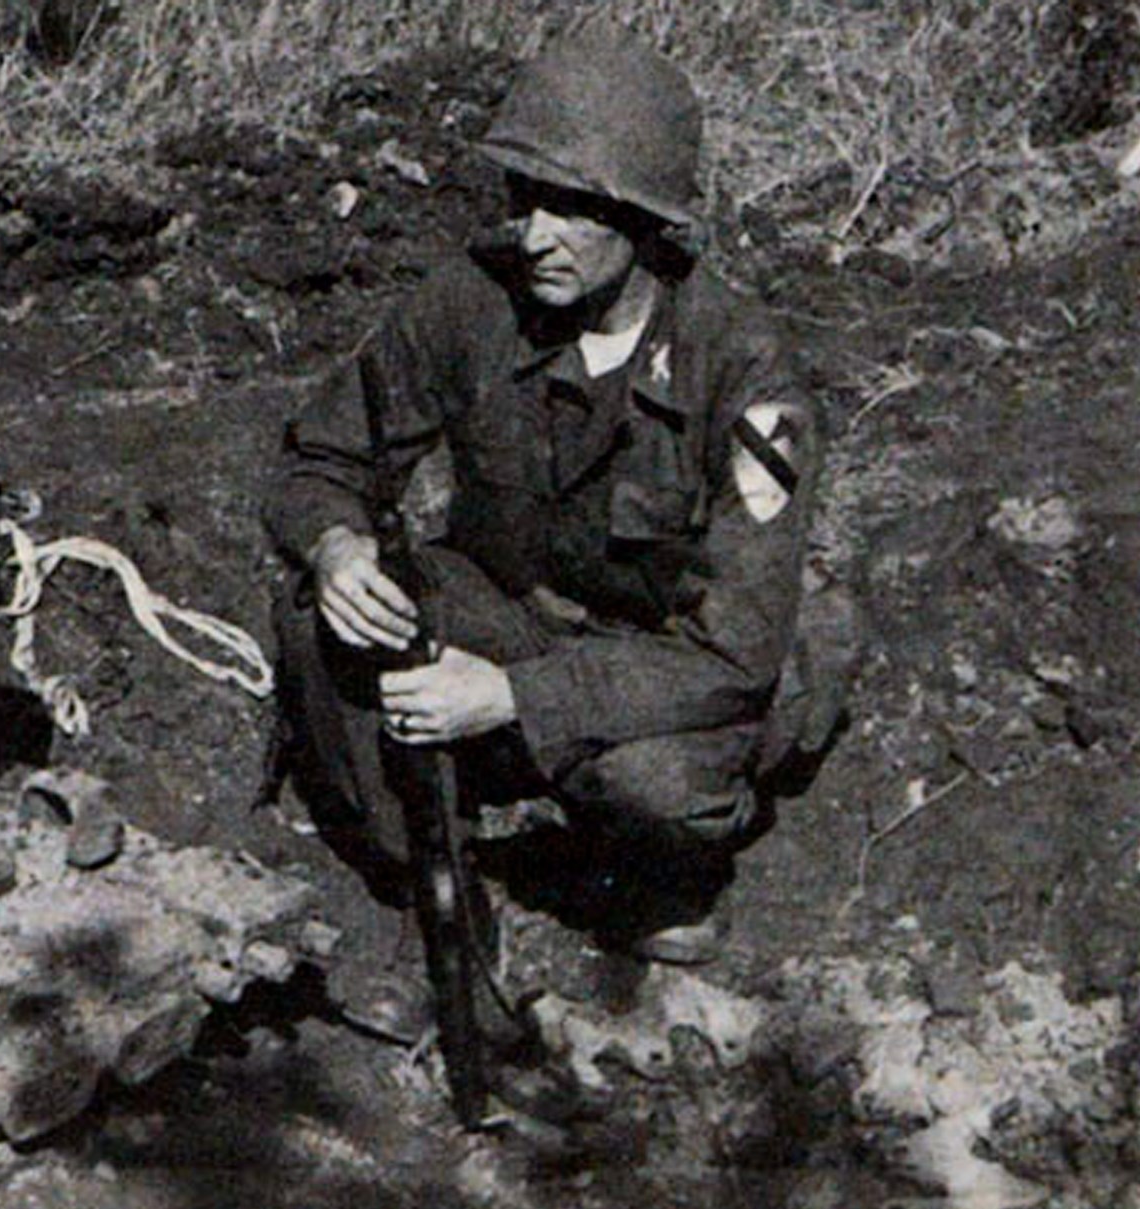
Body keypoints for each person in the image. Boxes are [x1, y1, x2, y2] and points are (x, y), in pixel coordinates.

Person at [269, 24, 828, 988]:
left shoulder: (745, 375)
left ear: (646, 221)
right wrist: (336, 546)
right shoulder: (474, 303)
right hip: (518, 617)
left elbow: (736, 656)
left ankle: (665, 881)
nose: (535, 235)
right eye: (524, 199)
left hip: (670, 671)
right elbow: (319, 456)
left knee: (652, 785)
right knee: (316, 616)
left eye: (571, 210)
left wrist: (510, 699)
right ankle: (431, 879)